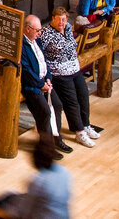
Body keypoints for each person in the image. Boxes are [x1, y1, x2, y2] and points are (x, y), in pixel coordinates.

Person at [38, 7, 100, 149]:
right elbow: (41, 53)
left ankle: (85, 125)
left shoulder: (68, 28)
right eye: (59, 19)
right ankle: (79, 132)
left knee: (83, 95)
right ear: (53, 18)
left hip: (75, 70)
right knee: (72, 102)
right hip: (60, 74)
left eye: (64, 19)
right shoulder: (46, 33)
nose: (61, 22)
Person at [20, 15, 71, 158]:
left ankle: (57, 139)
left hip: (44, 82)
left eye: (40, 30)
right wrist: (40, 84)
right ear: (27, 29)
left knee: (58, 105)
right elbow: (26, 71)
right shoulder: (21, 46)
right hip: (32, 86)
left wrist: (48, 78)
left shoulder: (37, 41)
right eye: (37, 30)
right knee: (45, 112)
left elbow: (44, 61)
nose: (39, 33)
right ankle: (46, 147)